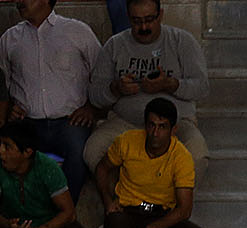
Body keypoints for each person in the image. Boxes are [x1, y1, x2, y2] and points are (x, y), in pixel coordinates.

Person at [84, 0, 209, 183]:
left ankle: (164, 198)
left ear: (160, 15)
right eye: (137, 21)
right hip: (126, 123)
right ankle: (126, 195)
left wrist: (170, 84)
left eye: (149, 20)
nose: (143, 27)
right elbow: (95, 95)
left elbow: (202, 87)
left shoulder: (182, 41)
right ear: (128, 18)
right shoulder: (114, 45)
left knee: (197, 153)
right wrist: (116, 89)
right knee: (93, 150)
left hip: (175, 123)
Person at [0, 0, 102, 199]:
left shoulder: (77, 31)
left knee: (78, 152)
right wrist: (10, 107)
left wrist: (91, 107)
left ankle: (65, 210)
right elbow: (2, 83)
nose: (19, 2)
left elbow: (101, 75)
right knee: (9, 151)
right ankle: (22, 210)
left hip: (69, 122)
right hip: (27, 122)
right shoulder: (9, 39)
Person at [93, 96, 206, 228]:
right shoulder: (127, 141)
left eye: (162, 127)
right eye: (152, 125)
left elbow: (185, 210)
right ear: (145, 125)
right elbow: (102, 168)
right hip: (128, 212)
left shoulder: (182, 157)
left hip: (160, 216)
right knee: (115, 222)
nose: (155, 133)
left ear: (173, 130)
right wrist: (108, 200)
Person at [0, 120, 92, 228]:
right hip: (11, 227)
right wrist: (7, 224)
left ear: (27, 152)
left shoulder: (48, 168)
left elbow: (69, 213)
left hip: (46, 225)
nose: (1, 151)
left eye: (7, 146)